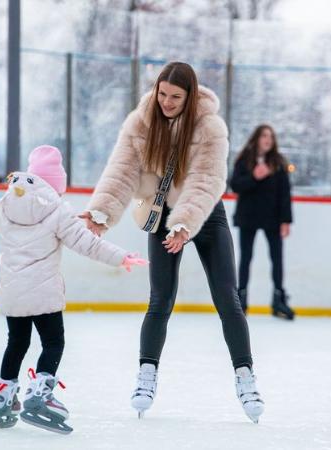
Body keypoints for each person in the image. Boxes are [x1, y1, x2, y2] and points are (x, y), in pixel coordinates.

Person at [79, 62, 264, 423]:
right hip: (160, 215)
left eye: (175, 97)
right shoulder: (141, 121)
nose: (166, 101)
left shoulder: (210, 127)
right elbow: (122, 171)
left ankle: (246, 377)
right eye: (162, 93)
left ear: (190, 96)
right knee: (160, 298)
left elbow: (206, 179)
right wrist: (99, 213)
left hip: (203, 213)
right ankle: (146, 375)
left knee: (228, 297)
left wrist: (184, 225)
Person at [0, 145, 147, 434]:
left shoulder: (5, 203)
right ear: (56, 185)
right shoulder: (59, 210)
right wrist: (121, 257)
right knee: (53, 343)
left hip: (12, 294)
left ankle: (2, 396)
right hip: (44, 294)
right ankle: (39, 394)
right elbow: (88, 243)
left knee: (17, 342)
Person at [230, 124, 295, 320]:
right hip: (248, 216)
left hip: (272, 218)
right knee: (245, 259)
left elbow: (285, 193)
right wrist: (254, 177)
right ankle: (241, 300)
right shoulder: (244, 160)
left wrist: (286, 220)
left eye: (271, 137)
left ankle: (279, 299)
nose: (268, 140)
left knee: (277, 259)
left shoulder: (279, 163)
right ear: (256, 138)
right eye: (264, 136)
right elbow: (235, 186)